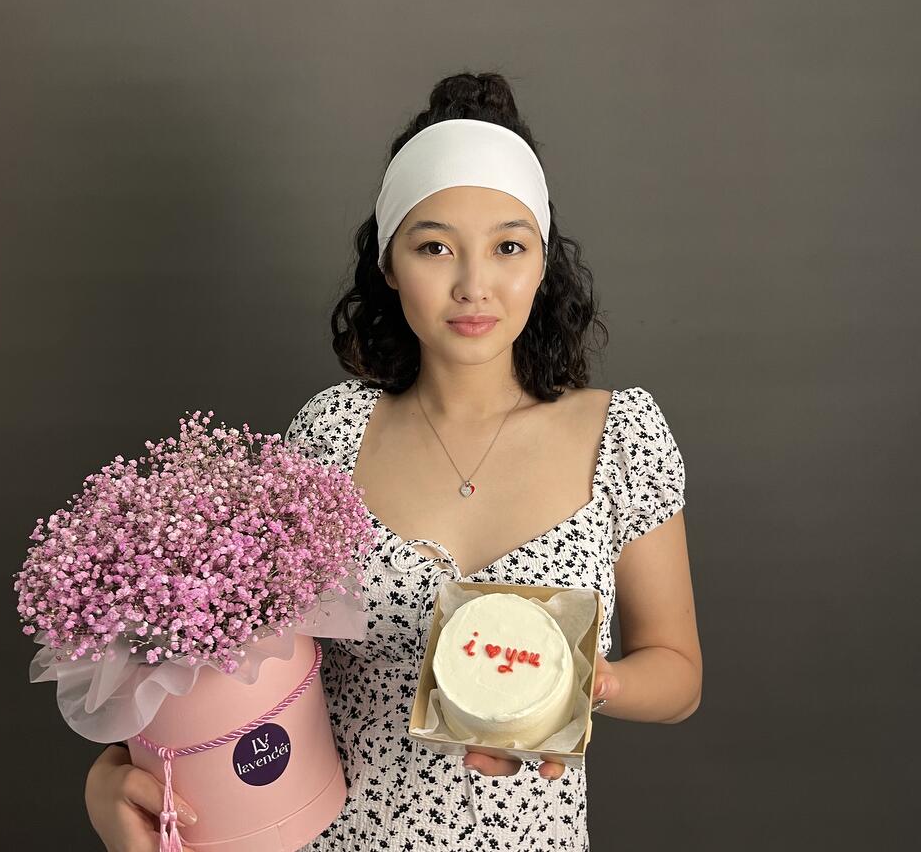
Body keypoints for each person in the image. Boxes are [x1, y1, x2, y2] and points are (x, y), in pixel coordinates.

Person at [84, 71, 702, 851]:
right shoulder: (330, 436)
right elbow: (223, 657)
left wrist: (583, 685)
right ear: (388, 263)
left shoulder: (622, 437)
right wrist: (118, 770)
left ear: (543, 262)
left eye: (509, 246)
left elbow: (677, 671)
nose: (473, 285)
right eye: (435, 247)